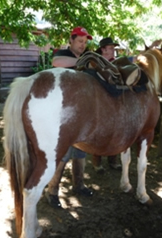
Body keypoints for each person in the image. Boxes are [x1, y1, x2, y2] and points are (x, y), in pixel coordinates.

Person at [46, 26, 94, 208]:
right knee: (64, 151)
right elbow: (56, 61)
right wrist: (82, 60)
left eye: (85, 42)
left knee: (81, 149)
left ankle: (78, 185)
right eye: (80, 41)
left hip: (82, 110)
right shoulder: (64, 53)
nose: (83, 45)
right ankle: (52, 191)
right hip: (63, 111)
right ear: (72, 40)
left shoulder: (87, 56)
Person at [91, 37, 122, 173]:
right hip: (99, 101)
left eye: (114, 49)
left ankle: (113, 159)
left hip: (115, 101)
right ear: (103, 49)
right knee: (100, 131)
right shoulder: (95, 62)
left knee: (115, 130)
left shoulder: (116, 63)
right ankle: (97, 161)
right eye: (111, 48)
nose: (113, 51)